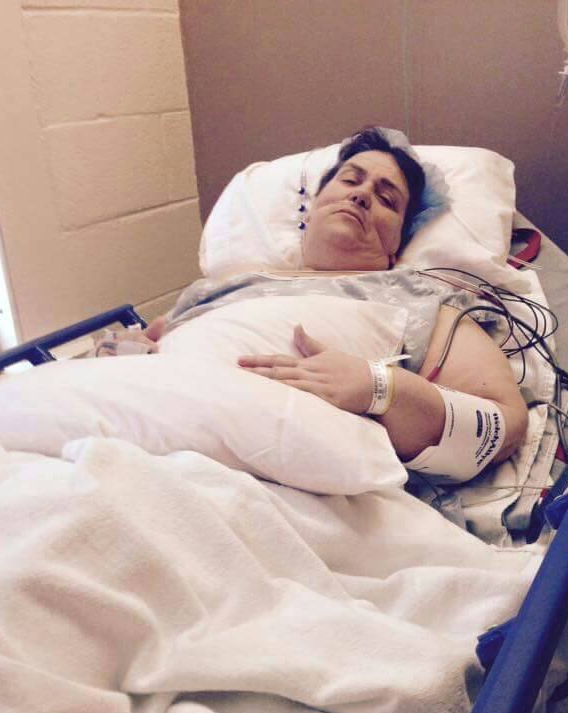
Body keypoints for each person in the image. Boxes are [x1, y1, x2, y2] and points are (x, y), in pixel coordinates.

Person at [99, 127, 528, 479]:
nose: (362, 195)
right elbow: (140, 361)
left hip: (253, 477)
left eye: (387, 199)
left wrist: (379, 388)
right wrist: (121, 356)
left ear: (398, 242)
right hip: (135, 437)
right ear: (312, 207)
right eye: (351, 180)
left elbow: (506, 426)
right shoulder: (217, 289)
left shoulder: (418, 300)